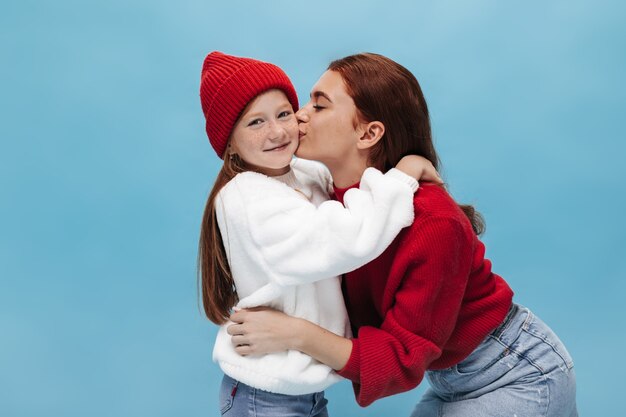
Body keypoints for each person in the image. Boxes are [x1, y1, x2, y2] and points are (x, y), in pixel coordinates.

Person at [228, 53, 578, 416]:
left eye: (319, 105)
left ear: (368, 133)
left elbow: (402, 357)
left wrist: (294, 333)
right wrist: (406, 170)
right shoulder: (337, 200)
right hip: (451, 377)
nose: (299, 115)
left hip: (515, 372)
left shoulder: (434, 222)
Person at [198, 51, 441, 417]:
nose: (277, 131)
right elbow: (347, 238)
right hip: (265, 393)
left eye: (283, 113)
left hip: (303, 388)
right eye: (255, 123)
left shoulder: (306, 176)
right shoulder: (247, 197)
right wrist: (402, 177)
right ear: (229, 144)